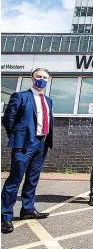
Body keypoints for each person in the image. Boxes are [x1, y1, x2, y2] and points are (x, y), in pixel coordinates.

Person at [1, 68, 54, 234]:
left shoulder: (48, 100)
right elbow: (8, 119)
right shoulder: (21, 96)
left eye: (45, 77)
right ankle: (5, 216)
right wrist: (17, 137)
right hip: (24, 144)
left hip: (41, 144)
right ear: (32, 78)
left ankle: (27, 210)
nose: (42, 79)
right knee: (15, 180)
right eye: (39, 76)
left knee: (32, 180)